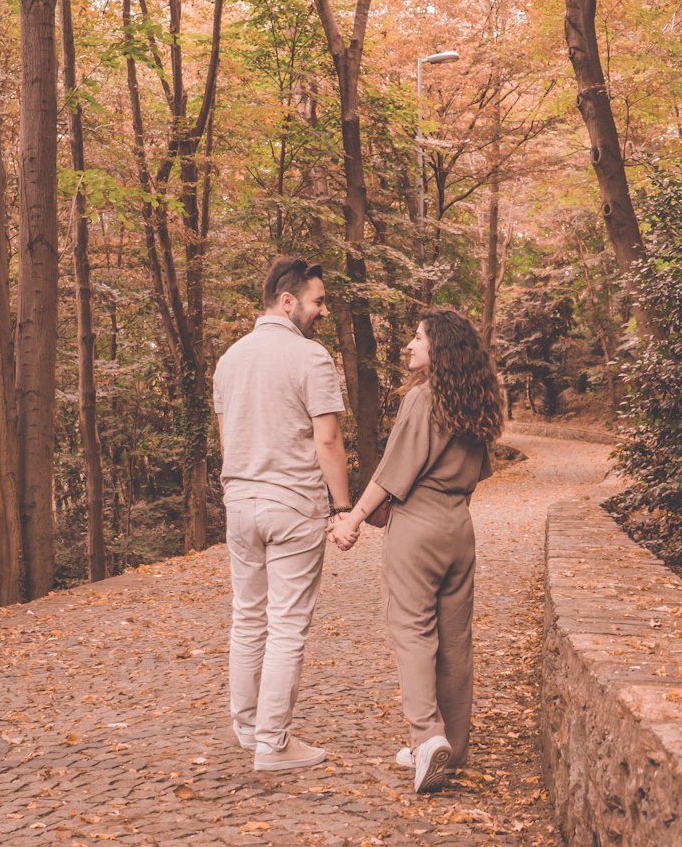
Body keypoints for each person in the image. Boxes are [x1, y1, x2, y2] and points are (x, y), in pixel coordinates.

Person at [331, 308, 503, 794]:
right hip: (459, 527)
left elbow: (392, 472)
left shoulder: (423, 399)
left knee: (412, 632)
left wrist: (352, 519)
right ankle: (453, 744)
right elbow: (475, 473)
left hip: (419, 526)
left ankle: (427, 738)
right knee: (454, 642)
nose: (409, 344)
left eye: (418, 338)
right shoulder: (475, 400)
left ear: (439, 347)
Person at [213, 256, 352, 772]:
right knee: (287, 623)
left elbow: (229, 442)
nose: (321, 311)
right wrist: (341, 509)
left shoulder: (229, 359)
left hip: (239, 502)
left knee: (247, 617)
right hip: (291, 502)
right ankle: (273, 744)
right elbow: (328, 437)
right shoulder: (311, 358)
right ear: (287, 300)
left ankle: (247, 729)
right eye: (317, 301)